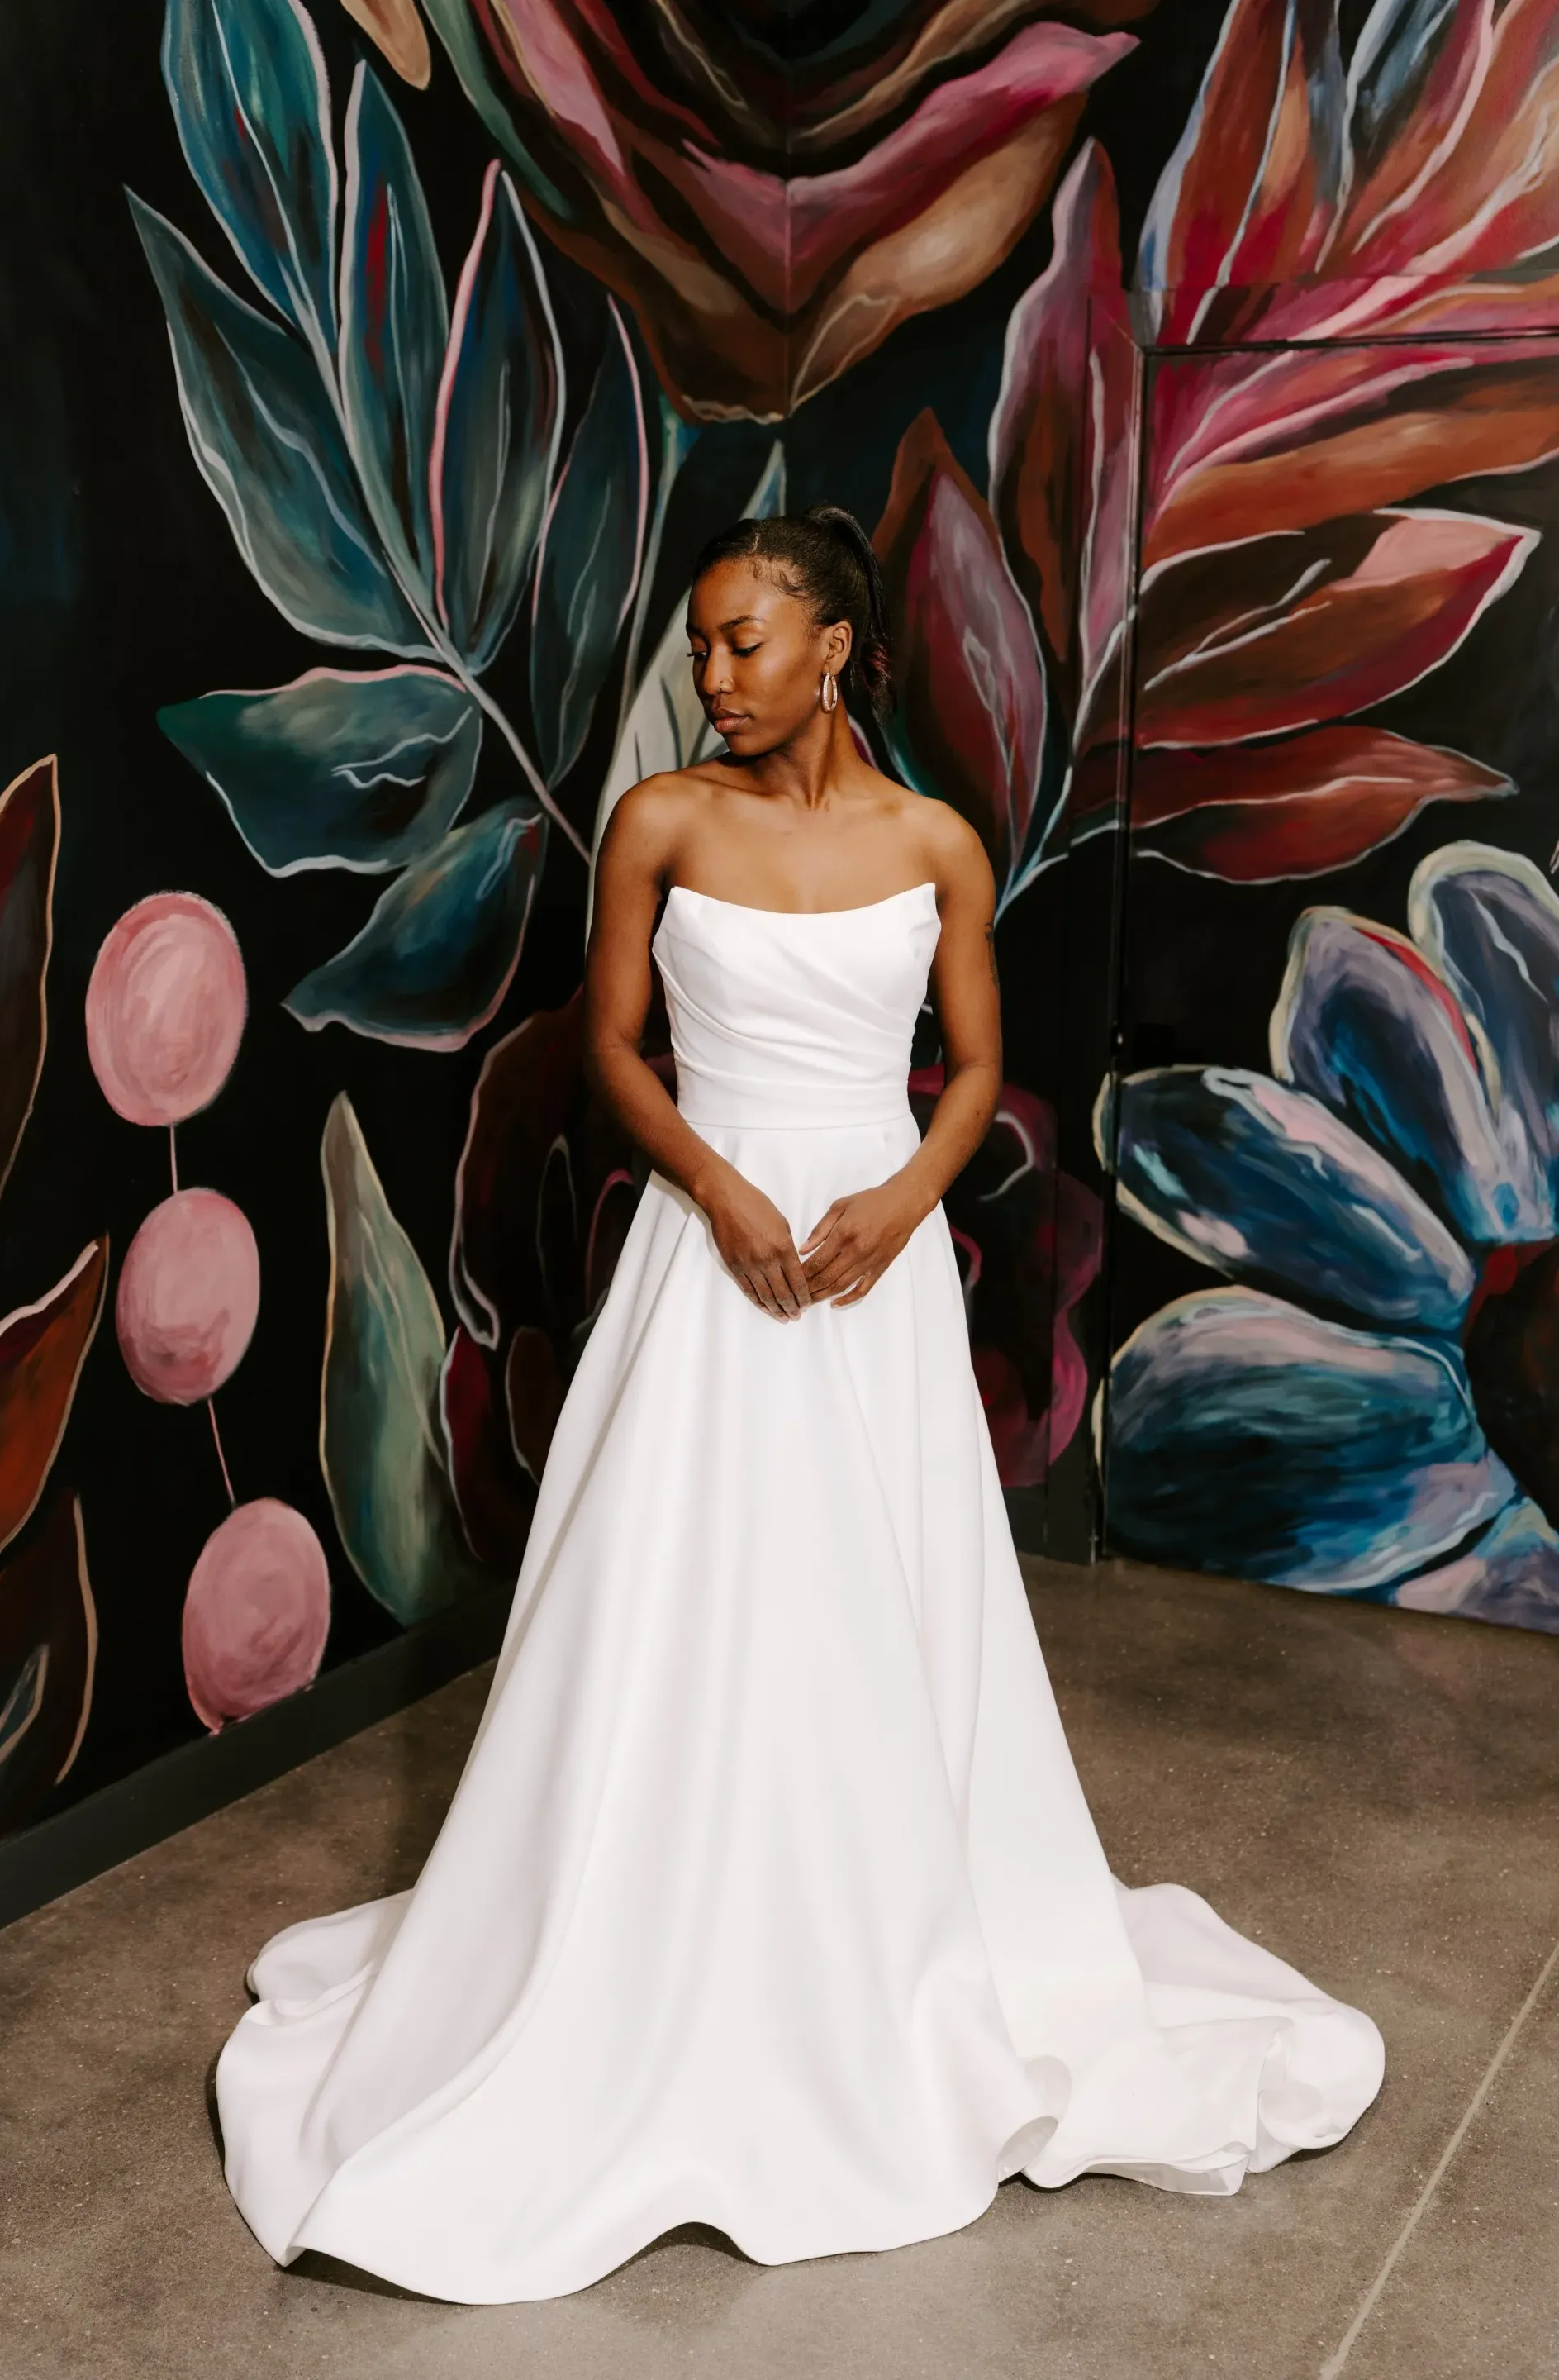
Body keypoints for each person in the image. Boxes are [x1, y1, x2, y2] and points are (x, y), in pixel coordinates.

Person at [215, 507, 1384, 2306]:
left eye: (746, 640)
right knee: (673, 1608)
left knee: (873, 1603)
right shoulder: (662, 824)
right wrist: (719, 1193)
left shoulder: (937, 841)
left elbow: (981, 1060)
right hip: (717, 1259)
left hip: (871, 1268)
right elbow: (614, 1048)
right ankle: (642, 1941)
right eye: (702, 641)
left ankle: (873, 1940)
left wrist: (904, 1199)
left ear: (838, 650)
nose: (713, 673)